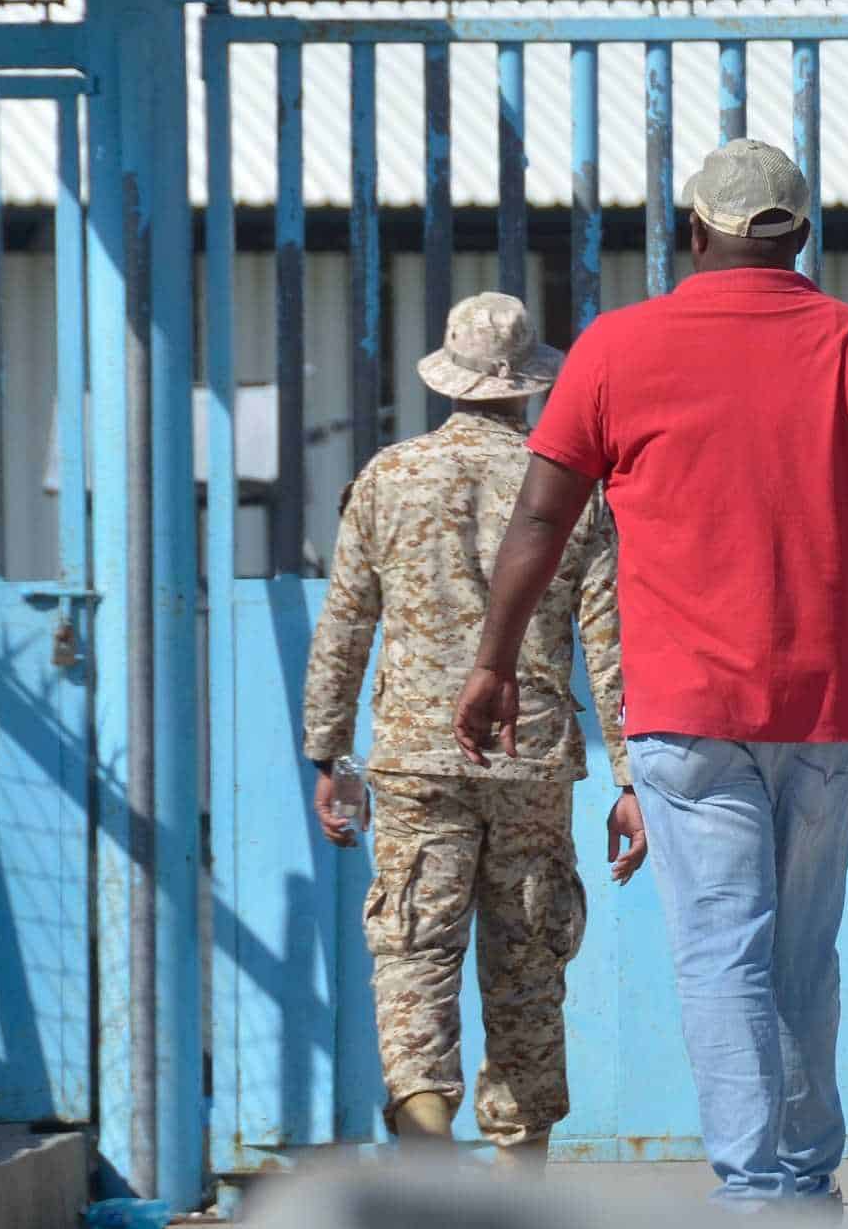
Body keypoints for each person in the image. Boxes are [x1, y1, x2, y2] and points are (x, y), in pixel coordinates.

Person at [454, 138, 848, 1212]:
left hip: (686, 714)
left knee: (721, 952)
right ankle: (809, 1178)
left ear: (692, 230)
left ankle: (758, 1190)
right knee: (803, 956)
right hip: (821, 711)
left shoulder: (614, 349)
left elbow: (540, 519)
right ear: (802, 235)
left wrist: (494, 661)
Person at [300, 292, 629, 1169]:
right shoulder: (568, 487)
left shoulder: (388, 478)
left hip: (415, 756)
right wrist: (633, 775)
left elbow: (344, 624)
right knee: (528, 964)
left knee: (413, 946)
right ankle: (522, 1173)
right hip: (530, 759)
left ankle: (426, 1139)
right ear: (531, 383)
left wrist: (329, 754)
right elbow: (610, 639)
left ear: (448, 374)